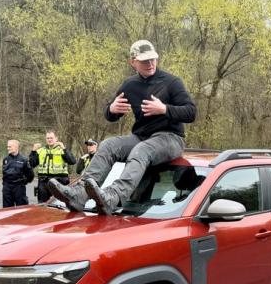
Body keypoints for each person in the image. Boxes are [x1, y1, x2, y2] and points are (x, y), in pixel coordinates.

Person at [48, 39, 196, 214]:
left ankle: (113, 196)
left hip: (171, 138)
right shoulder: (130, 85)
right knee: (108, 145)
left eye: (152, 59)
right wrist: (111, 109)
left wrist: (164, 109)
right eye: (144, 61)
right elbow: (110, 115)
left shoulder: (172, 82)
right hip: (141, 137)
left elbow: (191, 112)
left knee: (142, 150)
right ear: (133, 62)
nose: (150, 64)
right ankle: (79, 194)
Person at [30, 130, 76, 203]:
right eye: (48, 138)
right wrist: (33, 151)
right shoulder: (41, 150)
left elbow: (72, 161)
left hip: (59, 181)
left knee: (59, 205)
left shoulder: (62, 150)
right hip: (43, 182)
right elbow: (31, 164)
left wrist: (64, 148)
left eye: (51, 138)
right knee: (43, 205)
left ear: (56, 138)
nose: (49, 140)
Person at [1, 140, 34, 207]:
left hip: (19, 187)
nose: (8, 148)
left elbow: (30, 175)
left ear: (16, 147)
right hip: (7, 187)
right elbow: (4, 173)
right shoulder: (6, 159)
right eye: (7, 147)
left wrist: (24, 182)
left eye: (10, 147)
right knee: (7, 209)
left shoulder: (24, 159)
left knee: (21, 208)